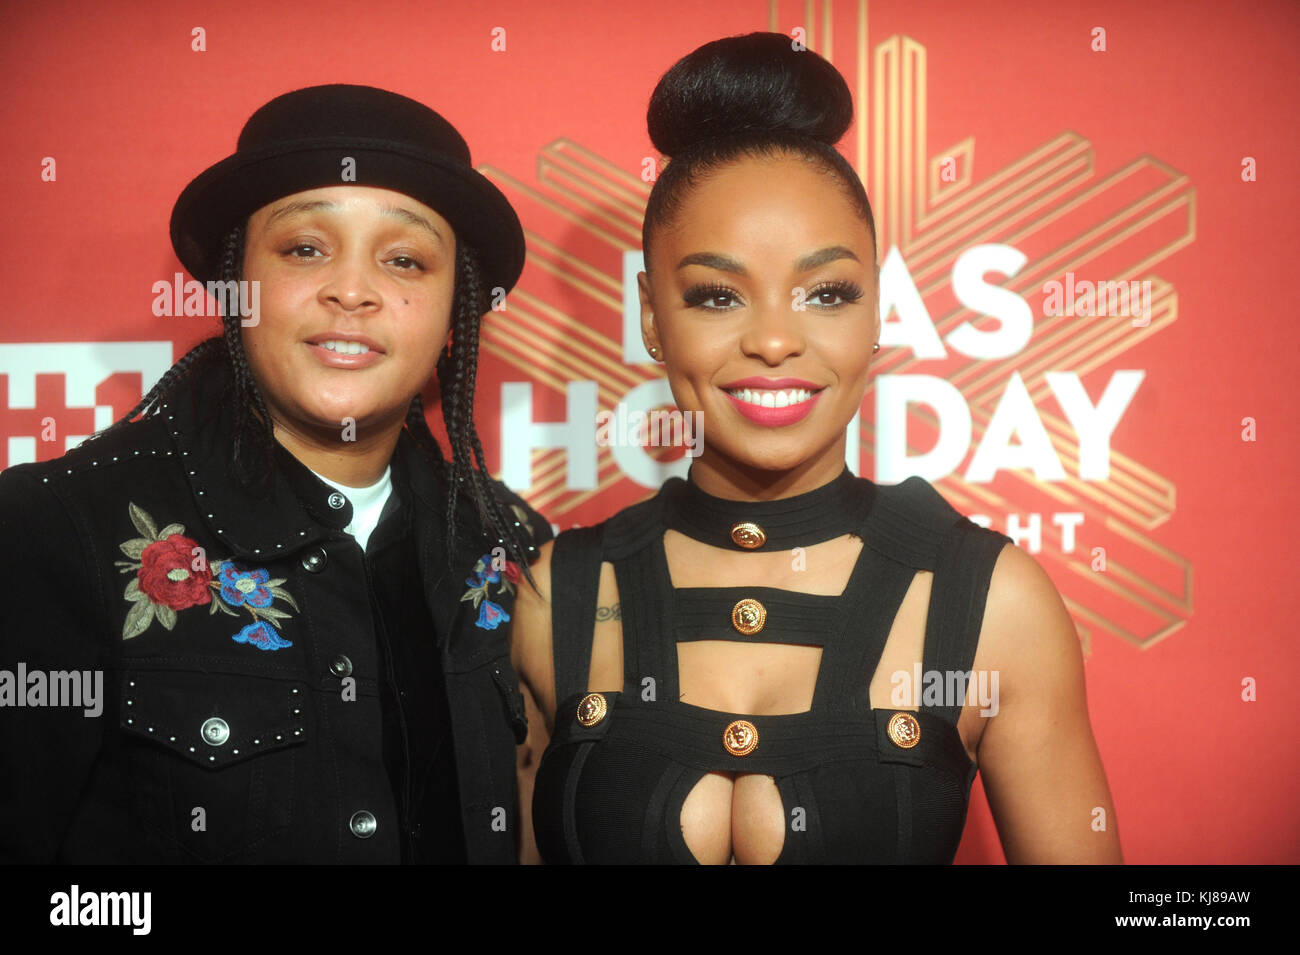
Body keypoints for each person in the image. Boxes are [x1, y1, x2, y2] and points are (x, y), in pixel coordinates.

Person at [511, 34, 1123, 864]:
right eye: (717, 294)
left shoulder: (992, 605)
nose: (773, 339)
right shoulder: (559, 599)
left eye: (827, 292)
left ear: (878, 313)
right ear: (653, 319)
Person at [0, 84, 550, 863]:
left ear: (453, 308)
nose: (352, 290)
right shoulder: (53, 530)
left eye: (404, 259)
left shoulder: (511, 546)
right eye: (304, 248)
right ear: (237, 281)